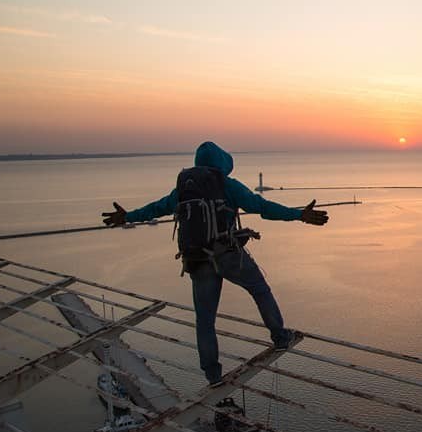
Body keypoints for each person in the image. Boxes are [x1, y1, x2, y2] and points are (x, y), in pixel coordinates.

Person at [101, 141, 328, 384]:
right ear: (222, 162)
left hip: (197, 259)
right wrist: (298, 214)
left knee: (205, 319)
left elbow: (156, 209)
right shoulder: (226, 184)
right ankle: (280, 336)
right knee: (260, 290)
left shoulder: (184, 187)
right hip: (227, 253)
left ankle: (212, 375)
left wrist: (127, 216)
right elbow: (262, 207)